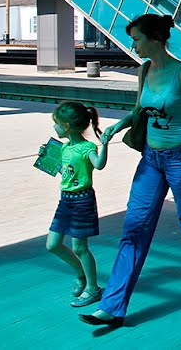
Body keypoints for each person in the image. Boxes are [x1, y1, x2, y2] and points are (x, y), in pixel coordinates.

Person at [80, 14, 181, 328]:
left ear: (154, 39)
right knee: (134, 226)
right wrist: (116, 127)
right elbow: (140, 109)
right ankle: (112, 307)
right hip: (151, 159)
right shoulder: (144, 70)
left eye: (136, 39)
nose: (133, 45)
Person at [45, 101, 109, 308]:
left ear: (67, 126)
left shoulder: (86, 148)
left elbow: (99, 165)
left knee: (80, 247)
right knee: (53, 245)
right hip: (65, 200)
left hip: (82, 201)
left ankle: (93, 288)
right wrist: (46, 157)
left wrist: (105, 144)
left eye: (56, 124)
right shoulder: (64, 147)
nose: (54, 127)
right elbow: (64, 171)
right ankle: (80, 272)